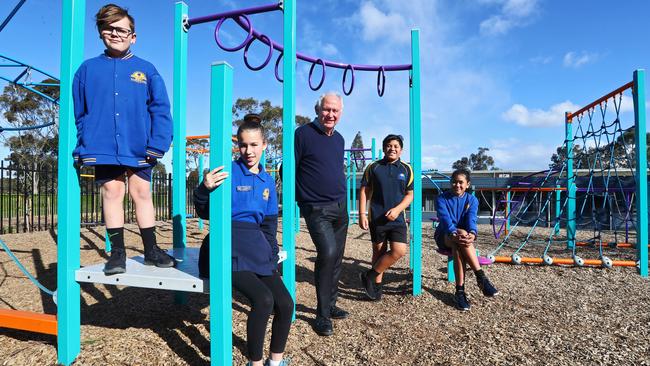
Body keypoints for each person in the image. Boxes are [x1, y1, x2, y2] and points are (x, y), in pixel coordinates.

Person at [72, 4, 174, 275]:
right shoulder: (87, 70)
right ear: (100, 32)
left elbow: (161, 109)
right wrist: (83, 144)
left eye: (122, 29)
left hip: (139, 144)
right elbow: (80, 113)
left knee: (141, 192)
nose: (115, 33)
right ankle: (117, 253)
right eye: (109, 28)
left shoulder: (146, 70)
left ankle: (151, 249)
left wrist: (157, 144)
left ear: (133, 36)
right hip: (102, 145)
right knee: (112, 192)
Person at [193, 115, 293, 366]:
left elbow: (269, 226)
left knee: (285, 303)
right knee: (263, 299)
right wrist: (204, 189)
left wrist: (272, 254)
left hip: (256, 247)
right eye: (243, 145)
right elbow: (204, 211)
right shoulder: (226, 173)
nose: (248, 151)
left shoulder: (268, 181)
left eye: (253, 145)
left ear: (264, 145)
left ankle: (276, 361)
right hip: (226, 245)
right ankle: (255, 363)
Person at [295, 92, 349, 336]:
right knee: (326, 253)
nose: (330, 114)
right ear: (318, 109)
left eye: (335, 111)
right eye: (327, 109)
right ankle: (322, 315)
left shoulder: (339, 139)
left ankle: (331, 304)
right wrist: (302, 198)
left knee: (337, 257)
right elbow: (290, 168)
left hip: (339, 207)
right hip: (316, 207)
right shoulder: (303, 134)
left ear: (341, 113)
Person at [358, 134, 414, 301]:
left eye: (396, 146)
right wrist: (362, 214)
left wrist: (397, 210)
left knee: (399, 251)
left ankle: (369, 275)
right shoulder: (373, 167)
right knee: (379, 252)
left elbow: (410, 195)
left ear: (401, 150)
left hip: (397, 220)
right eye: (389, 145)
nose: (392, 148)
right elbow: (363, 191)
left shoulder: (406, 169)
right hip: (377, 218)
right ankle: (376, 285)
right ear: (383, 148)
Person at [434, 168, 499, 311]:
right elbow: (445, 220)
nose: (457, 185)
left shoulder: (472, 200)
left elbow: (471, 219)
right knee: (460, 234)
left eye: (461, 182)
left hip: (461, 240)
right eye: (454, 182)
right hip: (444, 235)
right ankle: (480, 277)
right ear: (450, 183)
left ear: (467, 184)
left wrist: (473, 233)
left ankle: (460, 292)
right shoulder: (441, 199)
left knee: (460, 241)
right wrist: (454, 232)